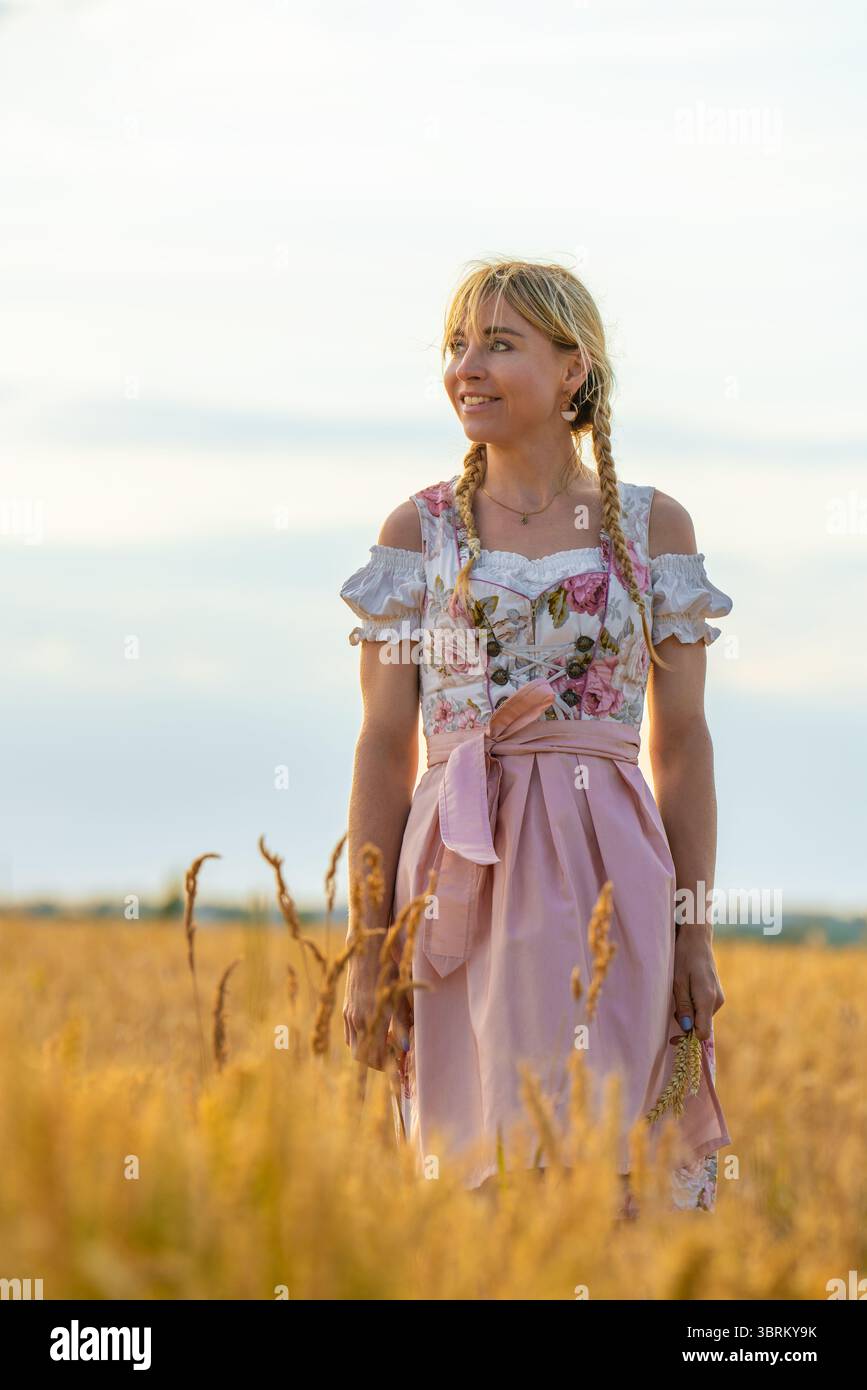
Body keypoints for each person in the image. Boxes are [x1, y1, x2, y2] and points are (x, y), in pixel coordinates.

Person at [340, 258, 732, 1211]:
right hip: (457, 870)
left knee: (607, 1172)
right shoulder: (418, 531)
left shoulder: (651, 530)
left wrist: (692, 932)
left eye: (498, 345)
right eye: (457, 346)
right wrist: (366, 944)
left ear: (573, 370)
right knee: (477, 1176)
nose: (466, 367)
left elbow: (678, 743)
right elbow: (382, 745)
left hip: (610, 868)